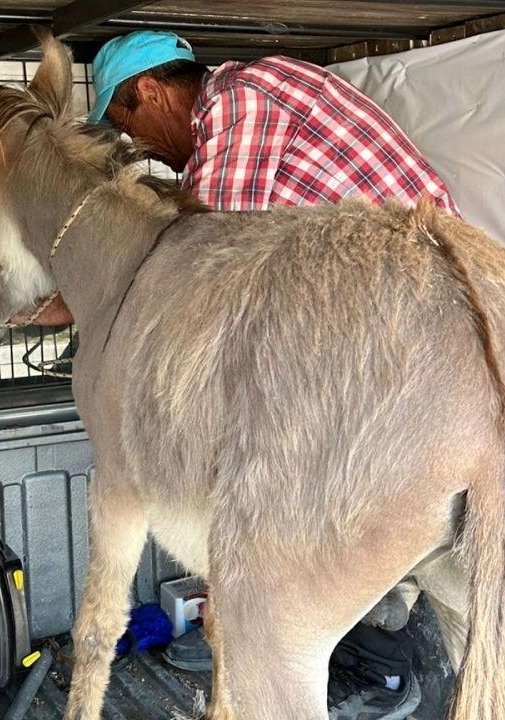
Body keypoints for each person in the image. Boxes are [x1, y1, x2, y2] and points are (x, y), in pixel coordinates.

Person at [56, 30, 461, 720]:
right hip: (371, 301)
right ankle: (329, 630)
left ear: (150, 91)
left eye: (126, 122)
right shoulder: (228, 125)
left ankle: (337, 644)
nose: (136, 145)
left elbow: (208, 253)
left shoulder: (240, 101)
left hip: (407, 298)